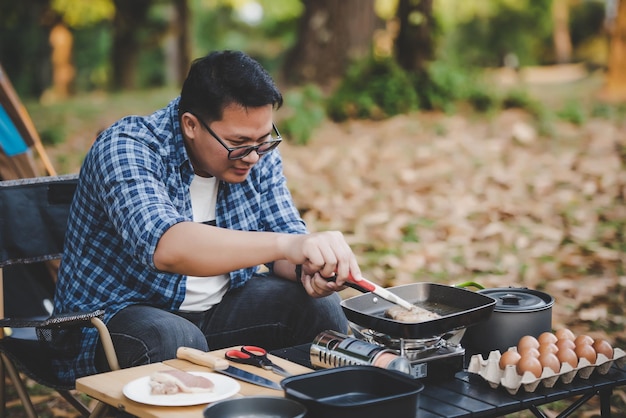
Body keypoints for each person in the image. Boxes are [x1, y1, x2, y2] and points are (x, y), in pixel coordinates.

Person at [51, 50, 362, 384]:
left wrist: (310, 268)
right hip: (110, 320)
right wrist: (288, 245)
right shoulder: (127, 147)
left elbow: (284, 241)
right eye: (239, 143)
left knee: (321, 307)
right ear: (191, 125)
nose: (254, 156)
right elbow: (168, 247)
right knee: (174, 338)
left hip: (217, 311)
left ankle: (292, 404)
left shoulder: (254, 151)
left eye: (263, 139)